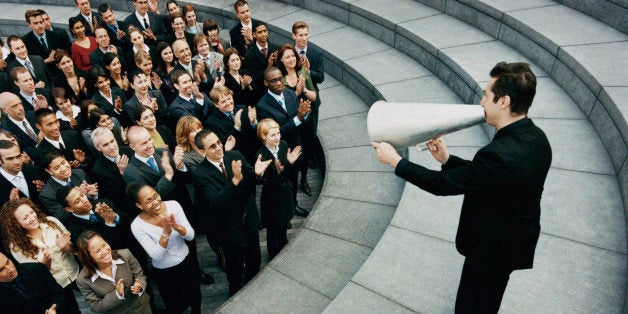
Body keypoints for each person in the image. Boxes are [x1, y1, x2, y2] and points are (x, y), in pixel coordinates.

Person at [372, 62, 552, 313]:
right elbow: (493, 177)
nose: (481, 102)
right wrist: (447, 160)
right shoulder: (537, 138)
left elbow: (440, 185)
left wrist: (396, 161)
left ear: (504, 101)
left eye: (486, 95)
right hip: (511, 243)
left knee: (472, 306)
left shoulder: (499, 153)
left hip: (491, 250)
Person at [192, 129, 267, 295]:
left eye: (219, 142)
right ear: (201, 151)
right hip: (229, 231)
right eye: (212, 146)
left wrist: (258, 174)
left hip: (249, 221)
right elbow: (215, 202)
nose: (219, 147)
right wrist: (234, 181)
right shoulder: (200, 174)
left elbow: (250, 178)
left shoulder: (235, 155)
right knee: (235, 268)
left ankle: (251, 287)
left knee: (255, 261)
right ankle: (236, 293)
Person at [127, 182, 201, 313]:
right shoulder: (137, 225)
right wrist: (166, 232)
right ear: (139, 205)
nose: (156, 202)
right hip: (165, 272)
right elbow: (156, 255)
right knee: (175, 305)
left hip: (187, 262)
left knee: (195, 295)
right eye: (148, 201)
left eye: (156, 196)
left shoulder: (173, 205)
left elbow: (190, 236)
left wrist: (177, 227)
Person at [0, 198, 81, 313]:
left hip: (76, 273)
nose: (32, 218)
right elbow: (35, 276)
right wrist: (46, 261)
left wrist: (66, 247)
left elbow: (76, 250)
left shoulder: (52, 222)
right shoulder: (16, 247)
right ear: (16, 224)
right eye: (25, 218)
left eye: (31, 212)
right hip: (57, 286)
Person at [257, 67, 310, 217]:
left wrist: (304, 115)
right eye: (274, 80)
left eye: (281, 78)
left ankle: (294, 204)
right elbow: (276, 133)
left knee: (294, 177)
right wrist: (298, 119)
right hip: (278, 151)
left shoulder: (290, 94)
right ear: (266, 83)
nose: (279, 82)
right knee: (281, 182)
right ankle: (283, 211)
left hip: (295, 145)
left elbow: (298, 117)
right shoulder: (262, 106)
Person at [255, 118, 300, 259]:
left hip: (285, 193)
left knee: (283, 225)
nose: (277, 137)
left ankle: (283, 244)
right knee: (272, 230)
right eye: (273, 135)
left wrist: (290, 164)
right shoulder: (260, 155)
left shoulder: (283, 145)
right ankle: (273, 253)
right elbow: (264, 181)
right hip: (272, 198)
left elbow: (289, 174)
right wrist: (277, 172)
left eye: (278, 133)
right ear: (264, 136)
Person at [275, 43, 316, 195]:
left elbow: (314, 96)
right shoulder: (279, 78)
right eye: (287, 57)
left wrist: (303, 90)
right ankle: (292, 184)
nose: (291, 59)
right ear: (281, 60)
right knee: (294, 153)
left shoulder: (303, 71)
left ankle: (304, 179)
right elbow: (283, 104)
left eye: (293, 55)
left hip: (306, 120)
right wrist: (296, 94)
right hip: (292, 122)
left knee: (306, 151)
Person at [75, 231, 151, 313]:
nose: (105, 251)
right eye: (97, 251)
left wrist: (139, 285)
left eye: (104, 245)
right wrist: (117, 294)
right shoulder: (82, 280)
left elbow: (139, 275)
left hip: (143, 309)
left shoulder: (125, 254)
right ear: (87, 257)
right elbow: (95, 307)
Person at [0, 251, 67, 313]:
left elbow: (59, 294)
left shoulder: (36, 269)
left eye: (8, 262)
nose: (10, 269)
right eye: (1, 269)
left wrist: (55, 308)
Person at [38, 150, 97, 220]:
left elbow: (94, 201)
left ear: (65, 158)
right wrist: (76, 197)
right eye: (57, 168)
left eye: (63, 163)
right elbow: (63, 217)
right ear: (49, 171)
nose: (63, 169)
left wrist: (91, 195)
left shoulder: (79, 173)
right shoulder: (47, 194)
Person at [90, 127, 137, 216]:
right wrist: (122, 173)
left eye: (112, 141)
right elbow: (117, 198)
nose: (112, 147)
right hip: (131, 208)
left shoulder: (129, 150)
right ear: (98, 148)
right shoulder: (98, 171)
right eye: (105, 145)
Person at [205, 85, 258, 163]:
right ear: (216, 104)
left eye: (229, 98)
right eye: (223, 101)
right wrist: (236, 127)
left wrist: (253, 123)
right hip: (237, 161)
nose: (228, 103)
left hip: (255, 154)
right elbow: (223, 144)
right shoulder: (211, 123)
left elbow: (256, 134)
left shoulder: (243, 108)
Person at [21, 10, 71, 76]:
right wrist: (46, 60)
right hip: (42, 76)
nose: (40, 26)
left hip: (61, 74)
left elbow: (68, 53)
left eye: (41, 22)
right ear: (29, 24)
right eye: (36, 23)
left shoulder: (57, 36)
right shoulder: (25, 41)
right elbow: (27, 63)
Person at [0, 139, 44, 207]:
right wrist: (12, 206)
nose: (17, 162)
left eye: (18, 156)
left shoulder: (34, 171)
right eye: (10, 159)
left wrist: (45, 189)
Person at [243, 21, 278, 102]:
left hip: (278, 87)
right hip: (262, 93)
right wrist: (268, 67)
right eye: (260, 32)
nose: (263, 34)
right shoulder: (249, 55)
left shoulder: (276, 48)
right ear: (254, 35)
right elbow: (254, 79)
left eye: (265, 31)